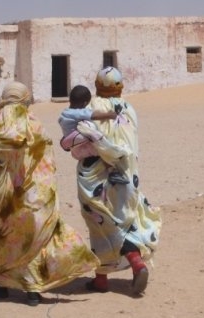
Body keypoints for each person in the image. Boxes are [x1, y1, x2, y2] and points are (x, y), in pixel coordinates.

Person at [0, 81, 100, 306]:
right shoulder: (35, 125)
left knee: (4, 239)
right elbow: (46, 161)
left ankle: (3, 286)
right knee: (30, 239)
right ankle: (32, 290)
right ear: (25, 99)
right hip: (32, 196)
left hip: (2, 195)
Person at [68, 66, 161, 295]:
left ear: (97, 86)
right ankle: (134, 264)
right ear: (121, 87)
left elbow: (78, 139)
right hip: (128, 174)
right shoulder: (129, 109)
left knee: (100, 223)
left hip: (96, 178)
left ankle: (106, 276)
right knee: (126, 219)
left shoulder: (90, 108)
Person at [58, 84, 129, 185]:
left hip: (75, 148)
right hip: (84, 146)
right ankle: (113, 172)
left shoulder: (65, 113)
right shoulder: (77, 113)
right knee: (103, 150)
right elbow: (94, 115)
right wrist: (110, 115)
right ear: (85, 103)